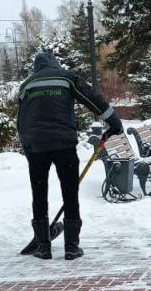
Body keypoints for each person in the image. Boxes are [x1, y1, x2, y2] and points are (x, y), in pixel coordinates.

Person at [16, 51, 123, 260]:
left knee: (39, 194)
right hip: (63, 144)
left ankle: (43, 247)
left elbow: (21, 120)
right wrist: (114, 122)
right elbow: (91, 98)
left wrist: (27, 145)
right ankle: (72, 247)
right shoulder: (66, 77)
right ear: (55, 63)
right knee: (70, 193)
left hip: (36, 147)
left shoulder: (26, 85)